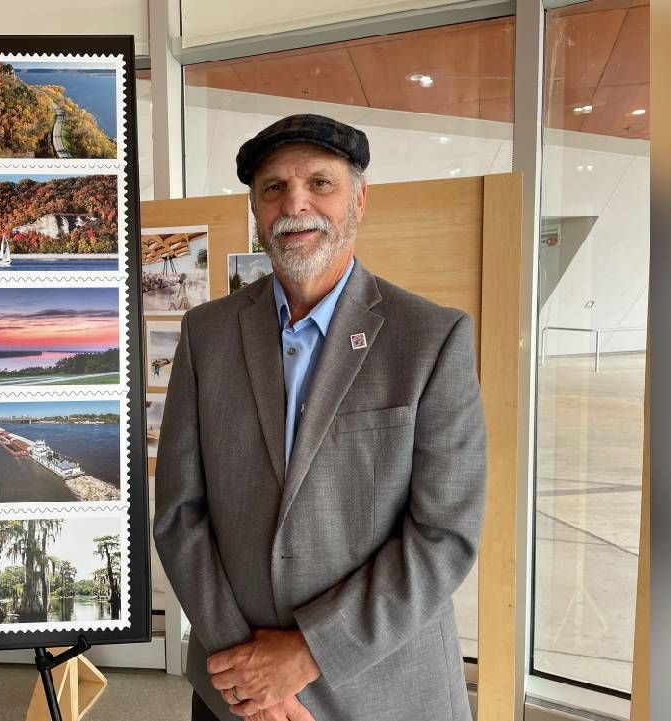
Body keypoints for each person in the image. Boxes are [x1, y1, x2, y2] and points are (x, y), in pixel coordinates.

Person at [153, 114, 486, 721]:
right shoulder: (207, 334)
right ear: (255, 211)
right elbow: (180, 512)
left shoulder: (432, 339)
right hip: (237, 693)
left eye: (320, 183)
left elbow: (444, 534)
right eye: (273, 187)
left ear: (359, 198)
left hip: (383, 695)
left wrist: (306, 652)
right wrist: (249, 673)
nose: (295, 203)